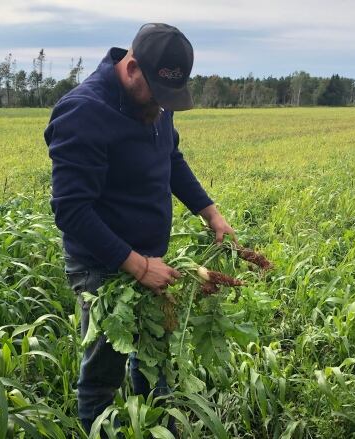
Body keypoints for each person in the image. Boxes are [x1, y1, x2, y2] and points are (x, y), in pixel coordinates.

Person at [44, 23, 235, 433]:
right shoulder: (83, 111)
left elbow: (172, 160)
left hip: (152, 259)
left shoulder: (154, 107)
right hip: (102, 265)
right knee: (103, 368)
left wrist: (210, 212)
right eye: (158, 93)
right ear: (131, 68)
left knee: (153, 355)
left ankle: (153, 424)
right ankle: (96, 426)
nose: (163, 105)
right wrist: (137, 265)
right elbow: (71, 211)